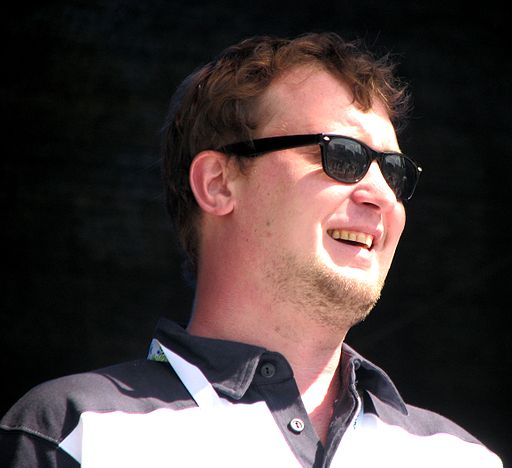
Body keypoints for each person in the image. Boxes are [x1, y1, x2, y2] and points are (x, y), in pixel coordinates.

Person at [0, 32, 502, 468]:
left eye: (394, 171)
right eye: (342, 155)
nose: (381, 195)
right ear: (218, 183)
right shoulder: (74, 431)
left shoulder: (461, 458)